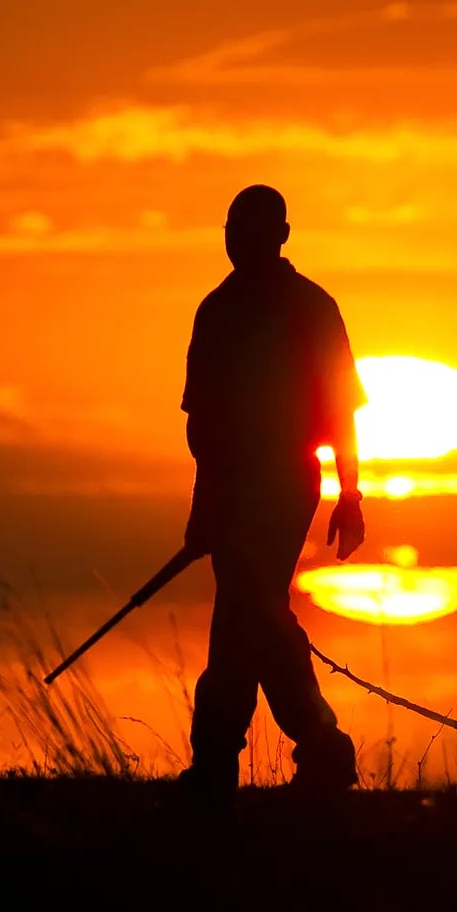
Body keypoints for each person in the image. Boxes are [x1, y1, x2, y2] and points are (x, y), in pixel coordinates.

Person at [178, 185, 367, 795]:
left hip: (286, 482)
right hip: (229, 486)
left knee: (248, 609)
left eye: (252, 229)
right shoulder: (216, 310)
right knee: (248, 617)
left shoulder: (312, 307)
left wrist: (350, 496)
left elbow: (340, 411)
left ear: (281, 235)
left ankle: (294, 750)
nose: (239, 241)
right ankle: (294, 754)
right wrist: (204, 508)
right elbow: (203, 425)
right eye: (232, 229)